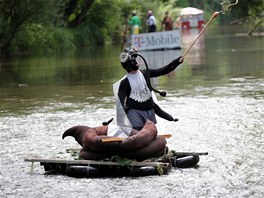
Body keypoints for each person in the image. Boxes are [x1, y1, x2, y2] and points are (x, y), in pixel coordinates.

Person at [110, 48, 184, 133]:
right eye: (133, 62)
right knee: (138, 134)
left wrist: (177, 62)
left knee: (151, 134)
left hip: (150, 111)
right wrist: (121, 121)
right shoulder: (125, 83)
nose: (136, 63)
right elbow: (120, 103)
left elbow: (162, 71)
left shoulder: (145, 73)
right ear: (128, 66)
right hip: (134, 113)